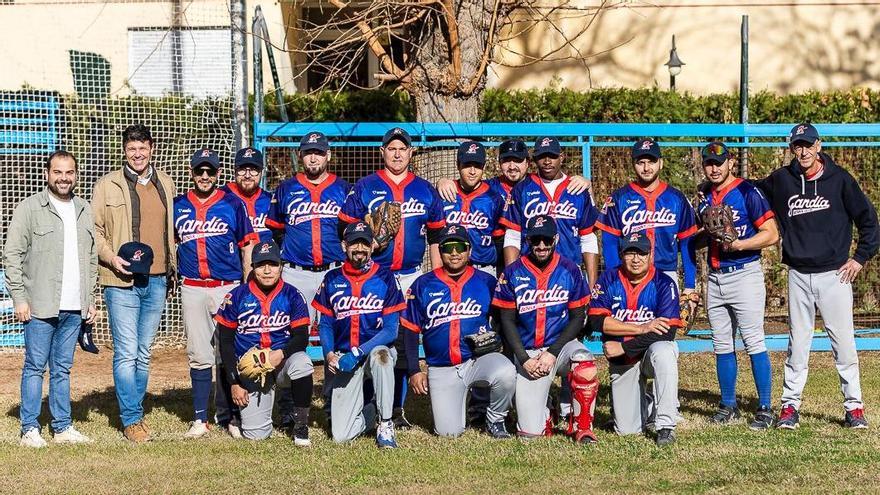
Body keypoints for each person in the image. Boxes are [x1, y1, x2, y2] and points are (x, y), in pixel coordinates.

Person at [755, 123, 879, 429]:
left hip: (834, 275)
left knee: (844, 344)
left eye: (808, 144)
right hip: (798, 274)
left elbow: (869, 221)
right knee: (798, 344)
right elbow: (749, 190)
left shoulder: (840, 180)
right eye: (797, 145)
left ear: (819, 145)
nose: (803, 151)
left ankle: (854, 408)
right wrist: (714, 188)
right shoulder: (782, 180)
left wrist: (860, 258)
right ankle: (790, 406)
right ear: (792, 148)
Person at [337, 127, 446, 428]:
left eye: (403, 148)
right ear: (382, 152)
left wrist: (436, 276)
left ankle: (395, 410)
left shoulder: (425, 189)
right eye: (391, 148)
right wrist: (368, 245)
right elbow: (344, 229)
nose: (397, 153)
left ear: (411, 153)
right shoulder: (365, 186)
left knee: (401, 339)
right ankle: (369, 404)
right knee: (371, 337)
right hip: (375, 276)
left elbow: (436, 236)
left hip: (411, 275)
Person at [4, 150, 97, 447]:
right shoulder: (29, 209)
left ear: (76, 175)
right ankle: (29, 428)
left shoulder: (84, 209)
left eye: (69, 172)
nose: (63, 178)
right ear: (47, 173)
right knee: (34, 366)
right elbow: (12, 256)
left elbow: (91, 258)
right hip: (40, 304)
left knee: (62, 368)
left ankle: (62, 427)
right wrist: (19, 298)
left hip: (74, 306)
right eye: (58, 172)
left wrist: (89, 299)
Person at [91, 124, 177, 443]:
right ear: (124, 151)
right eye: (131, 149)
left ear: (151, 147)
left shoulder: (165, 183)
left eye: (142, 147)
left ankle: (134, 409)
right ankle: (131, 419)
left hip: (156, 280)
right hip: (120, 280)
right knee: (126, 352)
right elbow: (95, 231)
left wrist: (172, 271)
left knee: (143, 352)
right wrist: (112, 258)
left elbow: (170, 234)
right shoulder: (106, 186)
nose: (137, 154)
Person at [267, 131, 352, 426]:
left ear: (328, 155)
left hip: (333, 271)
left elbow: (352, 233)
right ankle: (289, 405)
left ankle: (333, 402)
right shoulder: (286, 189)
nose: (313, 157)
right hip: (295, 272)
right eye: (307, 152)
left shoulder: (343, 189)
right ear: (300, 156)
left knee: (335, 338)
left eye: (318, 151)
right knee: (292, 337)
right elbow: (276, 230)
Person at [173, 148, 257, 438]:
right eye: (200, 171)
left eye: (210, 171)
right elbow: (172, 244)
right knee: (199, 353)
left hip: (228, 286)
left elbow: (247, 246)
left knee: (229, 351)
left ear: (219, 173)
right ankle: (200, 418)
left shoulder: (232, 204)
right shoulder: (179, 205)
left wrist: (247, 286)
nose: (205, 176)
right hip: (194, 286)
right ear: (192, 173)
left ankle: (232, 416)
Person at [401, 225, 515, 438]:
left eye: (460, 247)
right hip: (442, 367)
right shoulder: (423, 284)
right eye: (448, 247)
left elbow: (504, 321)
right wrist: (414, 370)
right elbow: (409, 330)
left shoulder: (487, 282)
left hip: (476, 360)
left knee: (506, 372)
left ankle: (495, 418)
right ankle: (463, 409)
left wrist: (498, 342)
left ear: (469, 250)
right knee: (448, 432)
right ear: (440, 251)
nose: (454, 253)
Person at [695, 142, 779, 429]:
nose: (714, 168)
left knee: (753, 340)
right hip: (716, 277)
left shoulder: (747, 191)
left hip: (745, 274)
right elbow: (705, 235)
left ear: (730, 162)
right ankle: (728, 404)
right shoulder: (704, 195)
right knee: (721, 343)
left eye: (719, 162)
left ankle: (765, 407)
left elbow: (771, 234)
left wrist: (740, 243)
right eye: (709, 162)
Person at [492, 215, 599, 443]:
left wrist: (552, 352)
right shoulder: (512, 272)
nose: (541, 246)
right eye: (536, 240)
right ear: (527, 240)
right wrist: (523, 359)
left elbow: (578, 317)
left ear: (556, 239)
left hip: (559, 347)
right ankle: (546, 413)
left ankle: (581, 425)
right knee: (529, 434)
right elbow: (507, 321)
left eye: (546, 240)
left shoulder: (570, 269)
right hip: (528, 352)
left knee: (584, 360)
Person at [312, 222, 406, 448]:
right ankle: (371, 411)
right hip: (345, 358)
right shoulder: (332, 278)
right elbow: (325, 324)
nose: (360, 248)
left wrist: (358, 352)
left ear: (372, 246)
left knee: (381, 357)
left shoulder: (386, 277)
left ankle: (385, 423)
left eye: (365, 243)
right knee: (341, 436)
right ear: (345, 245)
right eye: (354, 243)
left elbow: (391, 330)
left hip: (374, 350)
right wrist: (329, 354)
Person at [215, 240, 314, 444]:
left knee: (303, 362)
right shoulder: (236, 296)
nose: (267, 270)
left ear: (281, 266)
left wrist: (282, 353)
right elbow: (225, 343)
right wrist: (234, 382)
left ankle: (301, 426)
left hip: (281, 364)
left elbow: (301, 337)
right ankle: (247, 416)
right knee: (257, 436)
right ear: (253, 268)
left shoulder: (292, 295)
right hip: (251, 369)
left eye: (273, 264)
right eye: (261, 265)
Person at [589, 231, 681, 446]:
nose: (636, 259)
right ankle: (647, 403)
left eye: (641, 253)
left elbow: (667, 332)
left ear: (650, 255)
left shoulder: (664, 283)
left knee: (665, 351)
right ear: (621, 255)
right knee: (627, 431)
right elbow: (597, 322)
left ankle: (666, 425)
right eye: (630, 253)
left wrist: (625, 346)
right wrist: (642, 328)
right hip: (624, 361)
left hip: (646, 353)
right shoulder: (608, 279)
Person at [595, 138, 698, 295]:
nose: (646, 167)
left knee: (667, 320)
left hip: (666, 273)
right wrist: (615, 279)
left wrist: (690, 286)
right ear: (633, 164)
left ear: (661, 163)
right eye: (640, 162)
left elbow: (687, 242)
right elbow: (609, 243)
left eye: (651, 162)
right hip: (629, 275)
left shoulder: (677, 198)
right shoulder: (619, 198)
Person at [499, 136, 599, 286]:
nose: (547, 161)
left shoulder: (578, 189)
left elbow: (588, 239)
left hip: (569, 273)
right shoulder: (521, 189)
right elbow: (512, 237)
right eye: (541, 156)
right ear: (534, 159)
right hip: (530, 274)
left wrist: (592, 285)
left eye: (552, 156)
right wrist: (511, 277)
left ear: (561, 157)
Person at [440, 141, 506, 276]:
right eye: (467, 165)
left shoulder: (494, 198)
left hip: (484, 268)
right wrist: (440, 181)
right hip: (449, 268)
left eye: (477, 166)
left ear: (483, 167)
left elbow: (499, 241)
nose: (472, 171)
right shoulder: (445, 193)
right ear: (458, 165)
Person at [221, 147, 273, 243]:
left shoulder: (270, 200)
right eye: (242, 169)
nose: (247, 175)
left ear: (262, 171)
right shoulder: (221, 199)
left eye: (253, 170)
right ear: (234, 170)